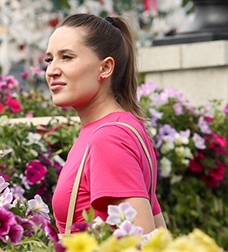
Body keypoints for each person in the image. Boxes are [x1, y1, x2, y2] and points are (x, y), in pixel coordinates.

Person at [45, 13, 167, 236]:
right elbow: (157, 230)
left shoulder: (109, 137)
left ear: (105, 68)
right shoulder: (119, 128)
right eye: (49, 59)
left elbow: (140, 241)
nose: (52, 70)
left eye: (67, 57)